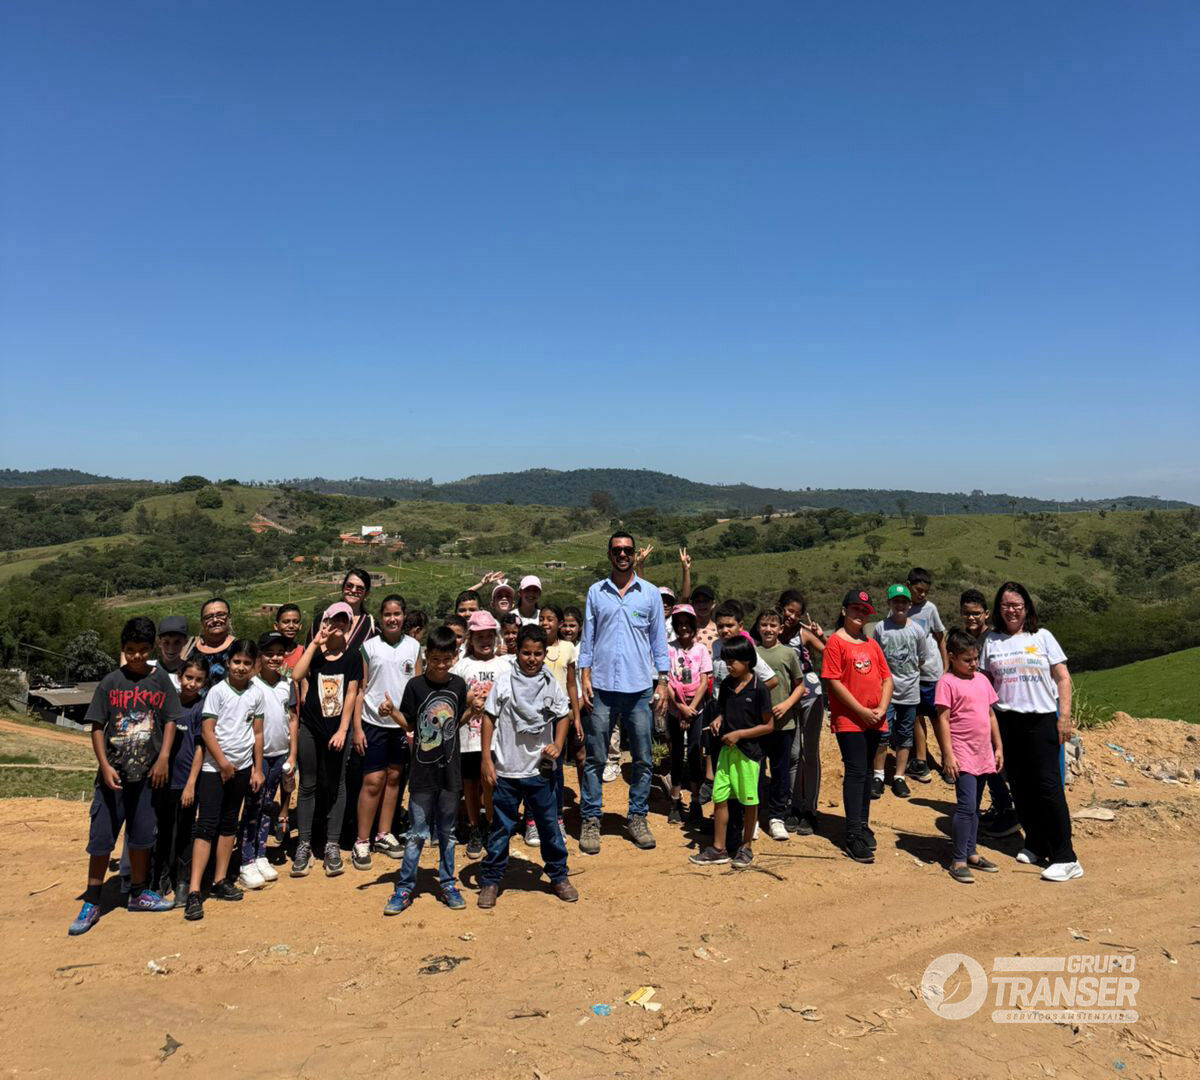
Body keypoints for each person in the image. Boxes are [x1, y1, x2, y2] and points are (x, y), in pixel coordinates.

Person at [69, 617, 181, 935]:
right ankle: (92, 899)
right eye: (130, 650)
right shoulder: (110, 683)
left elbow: (171, 721)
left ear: (151, 649)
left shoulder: (160, 681)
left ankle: (138, 893)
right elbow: (96, 726)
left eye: (142, 650)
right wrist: (103, 765)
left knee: (143, 836)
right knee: (101, 838)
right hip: (112, 777)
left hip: (146, 776)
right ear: (122, 648)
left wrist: (162, 759)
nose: (136, 656)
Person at [979, 582, 1081, 882]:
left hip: (1042, 720)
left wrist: (1064, 716)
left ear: (1027, 609)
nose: (1011, 610)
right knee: (1020, 786)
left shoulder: (1043, 637)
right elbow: (984, 682)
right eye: (1006, 605)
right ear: (998, 609)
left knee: (1048, 787)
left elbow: (1062, 678)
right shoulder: (991, 641)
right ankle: (1035, 842)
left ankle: (1065, 856)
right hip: (1007, 720)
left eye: (1017, 605)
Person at [577, 532, 670, 855]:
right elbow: (587, 638)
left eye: (628, 550)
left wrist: (663, 682)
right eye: (617, 550)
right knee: (595, 758)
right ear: (609, 554)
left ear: (634, 555)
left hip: (640, 688)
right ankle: (591, 818)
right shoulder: (595, 592)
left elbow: (659, 641)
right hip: (601, 686)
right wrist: (584, 675)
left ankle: (637, 817)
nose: (623, 555)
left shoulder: (649, 595)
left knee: (643, 759)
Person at [477, 625, 579, 907]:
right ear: (517, 652)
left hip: (540, 770)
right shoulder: (505, 681)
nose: (531, 659)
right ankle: (491, 880)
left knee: (548, 826)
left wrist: (557, 745)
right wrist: (487, 758)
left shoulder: (549, 682)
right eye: (526, 653)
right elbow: (489, 718)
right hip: (508, 769)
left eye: (537, 653)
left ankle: (558, 875)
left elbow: (563, 715)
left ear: (544, 654)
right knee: (501, 828)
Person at [383, 626, 472, 915]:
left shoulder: (459, 685)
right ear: (427, 656)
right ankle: (405, 887)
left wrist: (475, 710)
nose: (441, 664)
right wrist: (390, 712)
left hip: (449, 772)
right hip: (422, 772)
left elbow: (455, 723)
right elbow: (409, 724)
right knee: (417, 833)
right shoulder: (415, 686)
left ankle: (447, 883)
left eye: (447, 659)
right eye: (435, 659)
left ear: (455, 657)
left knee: (447, 831)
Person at [184, 639, 265, 921]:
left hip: (242, 769)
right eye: (236, 662)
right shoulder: (217, 692)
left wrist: (257, 769)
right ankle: (195, 890)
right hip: (214, 770)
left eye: (246, 663)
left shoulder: (256, 694)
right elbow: (207, 731)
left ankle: (220, 880)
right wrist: (221, 763)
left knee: (230, 823)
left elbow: (257, 733)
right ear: (228, 662)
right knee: (206, 825)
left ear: (254, 666)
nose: (241, 668)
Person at [688, 635, 774, 869]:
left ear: (747, 660)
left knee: (749, 801)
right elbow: (724, 712)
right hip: (726, 751)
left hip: (749, 754)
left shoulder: (760, 689)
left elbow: (768, 725)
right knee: (720, 797)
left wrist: (740, 734)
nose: (728, 666)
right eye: (726, 662)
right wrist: (718, 720)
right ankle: (719, 848)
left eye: (733, 662)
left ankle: (746, 847)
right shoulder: (726, 685)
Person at [291, 602, 362, 878]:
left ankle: (332, 843)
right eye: (335, 619)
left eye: (345, 620)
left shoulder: (353, 656)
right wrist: (314, 643)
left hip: (336, 730)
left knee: (337, 784)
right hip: (310, 727)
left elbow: (351, 693)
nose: (340, 625)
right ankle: (305, 843)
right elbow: (296, 676)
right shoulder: (316, 654)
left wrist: (343, 730)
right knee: (307, 784)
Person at [822, 589, 893, 865]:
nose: (859, 614)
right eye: (855, 609)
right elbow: (834, 682)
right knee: (855, 771)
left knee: (866, 774)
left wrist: (881, 709)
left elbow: (887, 679)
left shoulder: (871, 644)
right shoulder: (835, 643)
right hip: (850, 719)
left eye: (864, 611)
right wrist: (861, 711)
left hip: (875, 717)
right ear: (844, 611)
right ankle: (852, 834)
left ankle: (863, 824)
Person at [352, 595, 420, 870]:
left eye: (397, 614)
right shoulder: (369, 648)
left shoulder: (415, 647)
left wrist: (412, 726)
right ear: (380, 617)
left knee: (394, 778)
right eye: (387, 614)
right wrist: (357, 728)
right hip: (373, 723)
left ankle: (383, 834)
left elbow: (416, 687)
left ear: (404, 616)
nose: (392, 619)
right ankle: (361, 840)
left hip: (401, 725)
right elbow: (360, 689)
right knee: (373, 781)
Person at [934, 630, 1003, 884]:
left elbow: (991, 715)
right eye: (967, 660)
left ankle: (972, 853)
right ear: (952, 657)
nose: (973, 664)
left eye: (975, 659)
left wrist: (998, 747)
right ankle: (959, 859)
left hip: (982, 751)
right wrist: (948, 755)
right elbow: (942, 719)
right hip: (962, 753)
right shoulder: (947, 682)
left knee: (975, 807)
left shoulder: (982, 680)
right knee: (965, 807)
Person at [960, 589, 1020, 839]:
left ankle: (1008, 811)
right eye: (966, 613)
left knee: (992, 763)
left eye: (975, 613)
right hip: (977, 708)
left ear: (986, 613)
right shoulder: (967, 638)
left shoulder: (993, 638)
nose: (971, 618)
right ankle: (1001, 807)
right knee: (987, 762)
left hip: (996, 708)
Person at [236, 632, 294, 890]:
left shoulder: (287, 684)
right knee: (252, 808)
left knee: (268, 807)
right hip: (256, 758)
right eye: (269, 653)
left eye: (279, 653)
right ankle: (245, 860)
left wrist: (292, 754)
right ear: (259, 656)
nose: (275, 658)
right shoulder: (251, 685)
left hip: (279, 755)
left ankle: (260, 854)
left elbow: (292, 718)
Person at [451, 611, 509, 858]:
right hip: (468, 737)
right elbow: (453, 701)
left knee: (493, 783)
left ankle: (493, 825)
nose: (485, 641)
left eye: (489, 636)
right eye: (479, 636)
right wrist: (471, 701)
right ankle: (475, 827)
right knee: (471, 784)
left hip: (499, 739)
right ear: (469, 639)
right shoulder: (461, 667)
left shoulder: (506, 664)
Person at [152, 655, 208, 903]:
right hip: (163, 779)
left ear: (204, 683)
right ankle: (161, 877)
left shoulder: (201, 709)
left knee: (185, 831)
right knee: (163, 830)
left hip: (186, 782)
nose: (192, 684)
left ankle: (182, 880)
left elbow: (200, 748)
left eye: (198, 680)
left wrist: (191, 784)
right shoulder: (167, 704)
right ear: (179, 677)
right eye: (188, 677)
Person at [750, 608, 806, 841]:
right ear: (758, 628)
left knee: (780, 772)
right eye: (764, 625)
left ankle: (777, 817)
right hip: (757, 724)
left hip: (784, 724)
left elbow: (800, 685)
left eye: (773, 625)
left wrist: (786, 704)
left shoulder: (788, 653)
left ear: (781, 629)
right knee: (756, 772)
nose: (769, 629)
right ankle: (752, 817)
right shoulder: (751, 652)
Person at [870, 585, 929, 800]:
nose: (900, 605)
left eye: (904, 602)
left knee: (905, 735)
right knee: (883, 734)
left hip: (910, 692)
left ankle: (899, 777)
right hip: (886, 692)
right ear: (889, 604)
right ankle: (878, 775)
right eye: (896, 601)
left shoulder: (917, 631)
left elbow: (921, 659)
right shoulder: (880, 628)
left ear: (909, 604)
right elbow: (875, 657)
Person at [778, 590, 825, 835]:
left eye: (797, 613)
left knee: (810, 752)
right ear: (781, 608)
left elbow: (828, 653)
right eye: (789, 610)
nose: (792, 616)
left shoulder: (803, 635)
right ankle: (794, 806)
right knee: (794, 753)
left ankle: (810, 809)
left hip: (811, 695)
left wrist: (821, 636)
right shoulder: (772, 634)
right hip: (787, 698)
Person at [538, 605, 580, 843]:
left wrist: (575, 714)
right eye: (542, 618)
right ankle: (535, 818)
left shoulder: (567, 648)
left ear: (559, 623)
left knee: (556, 768)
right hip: (536, 717)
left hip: (560, 717)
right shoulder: (533, 646)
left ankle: (557, 817)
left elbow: (571, 683)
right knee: (535, 767)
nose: (545, 623)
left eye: (550, 619)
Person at [665, 604, 711, 826]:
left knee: (694, 753)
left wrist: (691, 708)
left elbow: (704, 681)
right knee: (675, 754)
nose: (683, 627)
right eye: (679, 624)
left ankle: (695, 801)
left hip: (696, 708)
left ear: (693, 626)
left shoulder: (701, 650)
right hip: (675, 709)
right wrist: (680, 707)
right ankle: (675, 800)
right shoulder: (668, 649)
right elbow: (667, 682)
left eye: (687, 623)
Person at [905, 568, 947, 781]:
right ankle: (921, 760)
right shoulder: (901, 608)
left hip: (931, 672)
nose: (922, 594)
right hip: (911, 674)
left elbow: (940, 637)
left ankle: (948, 760)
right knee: (916, 717)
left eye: (925, 591)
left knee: (938, 717)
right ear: (908, 586)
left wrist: (945, 667)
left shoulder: (930, 609)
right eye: (918, 590)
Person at [184, 597, 237, 685]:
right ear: (202, 622)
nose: (215, 620)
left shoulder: (240, 648)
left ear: (229, 617)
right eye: (208, 617)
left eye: (220, 615)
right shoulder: (188, 647)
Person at [155, 616, 189, 683]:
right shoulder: (148, 668)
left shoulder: (190, 671)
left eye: (177, 643)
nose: (171, 649)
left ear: (185, 642)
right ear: (159, 642)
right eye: (166, 642)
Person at [274, 604, 305, 671]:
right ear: (276, 626)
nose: (291, 626)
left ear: (300, 626)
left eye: (295, 622)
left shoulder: (305, 653)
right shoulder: (266, 654)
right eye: (286, 622)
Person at [690, 585, 720, 650]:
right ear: (692, 605)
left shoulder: (719, 629)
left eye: (706, 601)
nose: (702, 605)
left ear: (713, 604)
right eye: (698, 601)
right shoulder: (687, 629)